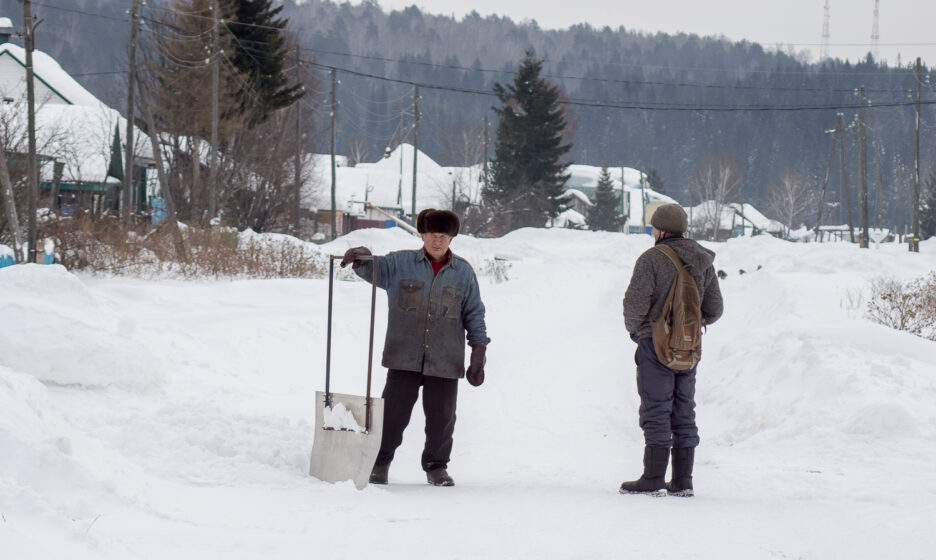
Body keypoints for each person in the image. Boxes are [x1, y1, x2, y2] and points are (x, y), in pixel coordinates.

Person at [340, 209, 489, 487]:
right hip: (403, 357)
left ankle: (436, 467)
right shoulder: (400, 264)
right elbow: (371, 268)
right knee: (393, 416)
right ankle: (380, 463)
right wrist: (361, 256)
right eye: (433, 234)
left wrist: (478, 351)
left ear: (451, 238)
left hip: (445, 359)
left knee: (442, 420)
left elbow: (474, 314)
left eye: (444, 236)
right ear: (422, 235)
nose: (438, 241)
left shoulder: (463, 273)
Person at [620, 203, 723, 497]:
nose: (652, 231)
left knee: (656, 407)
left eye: (654, 226)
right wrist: (688, 327)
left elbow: (634, 305)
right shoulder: (703, 260)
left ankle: (653, 478)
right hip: (688, 349)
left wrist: (639, 331)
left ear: (662, 230)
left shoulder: (652, 259)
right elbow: (715, 309)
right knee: (683, 410)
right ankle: (682, 481)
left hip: (655, 345)